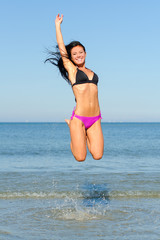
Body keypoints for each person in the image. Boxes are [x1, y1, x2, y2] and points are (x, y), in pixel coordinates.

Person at [46, 14, 104, 162]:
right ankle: (72, 125)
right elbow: (62, 49)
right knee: (80, 158)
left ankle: (82, 133)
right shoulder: (72, 71)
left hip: (95, 118)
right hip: (79, 118)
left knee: (97, 155)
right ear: (71, 58)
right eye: (74, 54)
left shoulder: (91, 71)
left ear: (85, 53)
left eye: (81, 52)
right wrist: (57, 26)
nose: (78, 55)